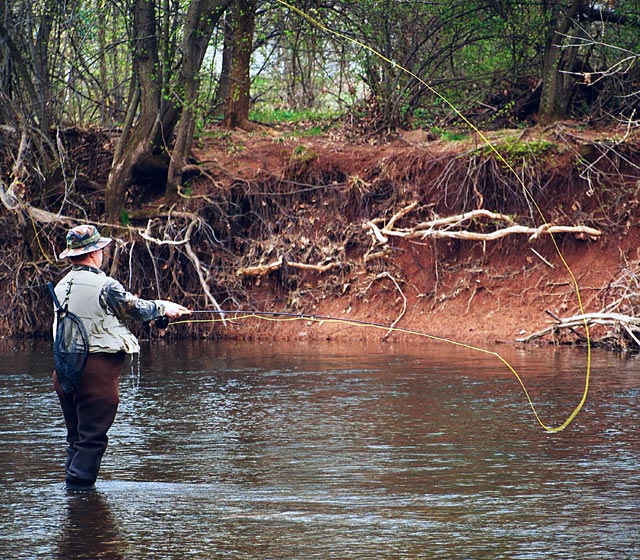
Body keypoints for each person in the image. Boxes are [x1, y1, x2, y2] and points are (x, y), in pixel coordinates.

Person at [52, 224, 191, 491]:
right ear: (95, 253)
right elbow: (134, 309)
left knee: (77, 438)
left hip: (63, 372)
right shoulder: (104, 285)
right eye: (101, 249)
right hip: (96, 374)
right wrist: (166, 307)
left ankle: (74, 511)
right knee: (92, 440)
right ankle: (81, 501)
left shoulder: (60, 286)